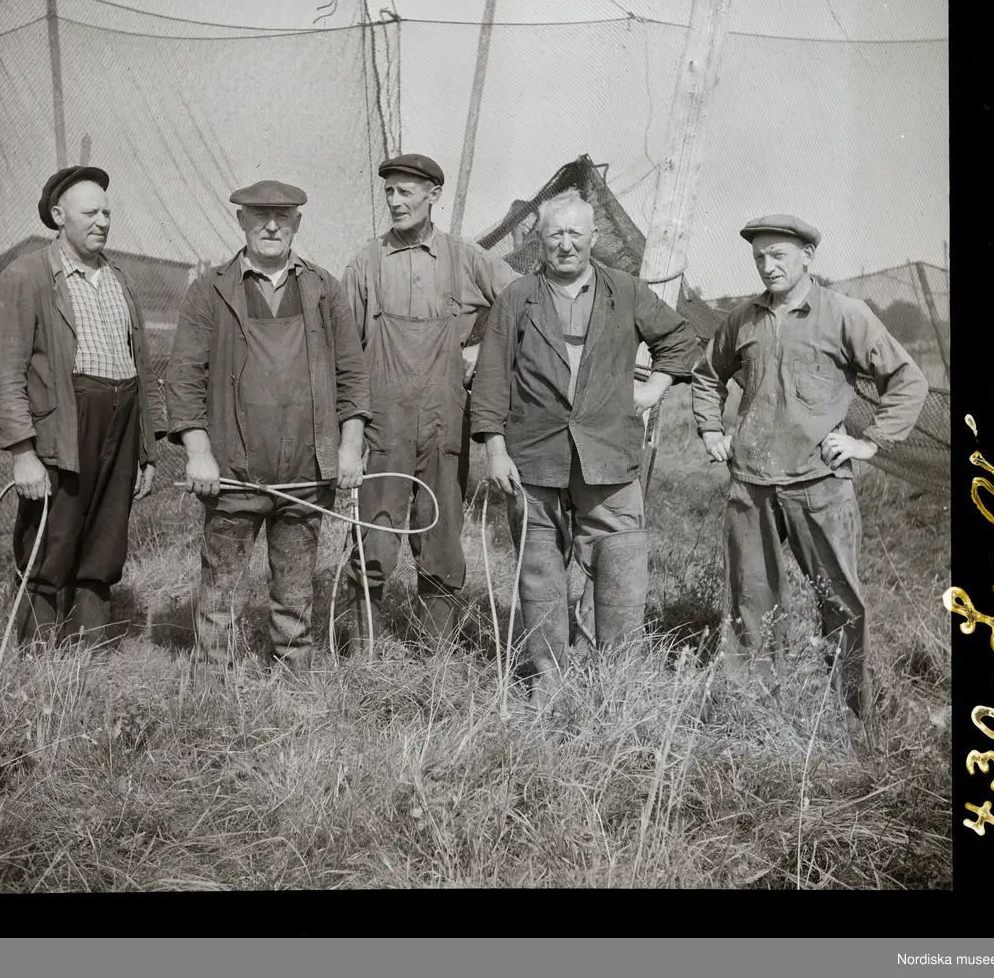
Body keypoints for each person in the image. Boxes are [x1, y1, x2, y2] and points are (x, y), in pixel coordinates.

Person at [691, 214, 930, 718]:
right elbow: (707, 375)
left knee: (839, 599)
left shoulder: (845, 314)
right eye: (759, 257)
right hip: (752, 483)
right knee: (750, 597)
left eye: (778, 255)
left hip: (820, 483)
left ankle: (852, 712)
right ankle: (753, 710)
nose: (767, 266)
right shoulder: (742, 319)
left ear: (807, 256)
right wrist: (711, 429)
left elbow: (907, 380)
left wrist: (870, 442)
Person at [470, 193, 698, 705]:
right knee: (539, 569)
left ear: (594, 238)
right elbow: (489, 380)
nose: (566, 244)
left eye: (576, 233)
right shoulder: (517, 297)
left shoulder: (626, 291)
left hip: (608, 456)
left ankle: (616, 679)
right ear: (540, 240)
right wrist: (496, 450)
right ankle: (549, 681)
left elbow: (681, 339)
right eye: (555, 233)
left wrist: (653, 389)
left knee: (620, 563)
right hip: (534, 457)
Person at [164, 180, 369, 675]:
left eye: (282, 216)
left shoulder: (323, 289)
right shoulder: (211, 289)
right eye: (260, 215)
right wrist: (198, 452)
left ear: (297, 222)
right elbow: (184, 376)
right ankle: (212, 686)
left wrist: (349, 446)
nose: (271, 226)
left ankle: (293, 686)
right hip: (233, 472)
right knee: (221, 590)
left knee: (295, 592)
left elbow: (353, 374)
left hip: (305, 470)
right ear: (242, 221)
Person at [0, 165, 166, 648]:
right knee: (51, 543)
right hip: (62, 429)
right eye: (90, 213)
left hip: (121, 425)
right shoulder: (26, 277)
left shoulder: (120, 280)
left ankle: (92, 656)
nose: (102, 221)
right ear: (60, 216)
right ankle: (38, 661)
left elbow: (142, 368)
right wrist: (23, 454)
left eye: (107, 212)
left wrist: (146, 450)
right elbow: (3, 374)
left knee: (105, 542)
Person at [341, 153, 518, 653]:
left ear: (433, 194)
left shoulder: (465, 259)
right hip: (383, 426)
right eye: (389, 192)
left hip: (445, 424)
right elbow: (342, 352)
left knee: (441, 537)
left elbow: (525, 303)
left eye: (406, 192)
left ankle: (434, 658)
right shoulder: (366, 263)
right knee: (373, 536)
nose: (395, 202)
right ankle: (362, 655)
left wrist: (483, 351)